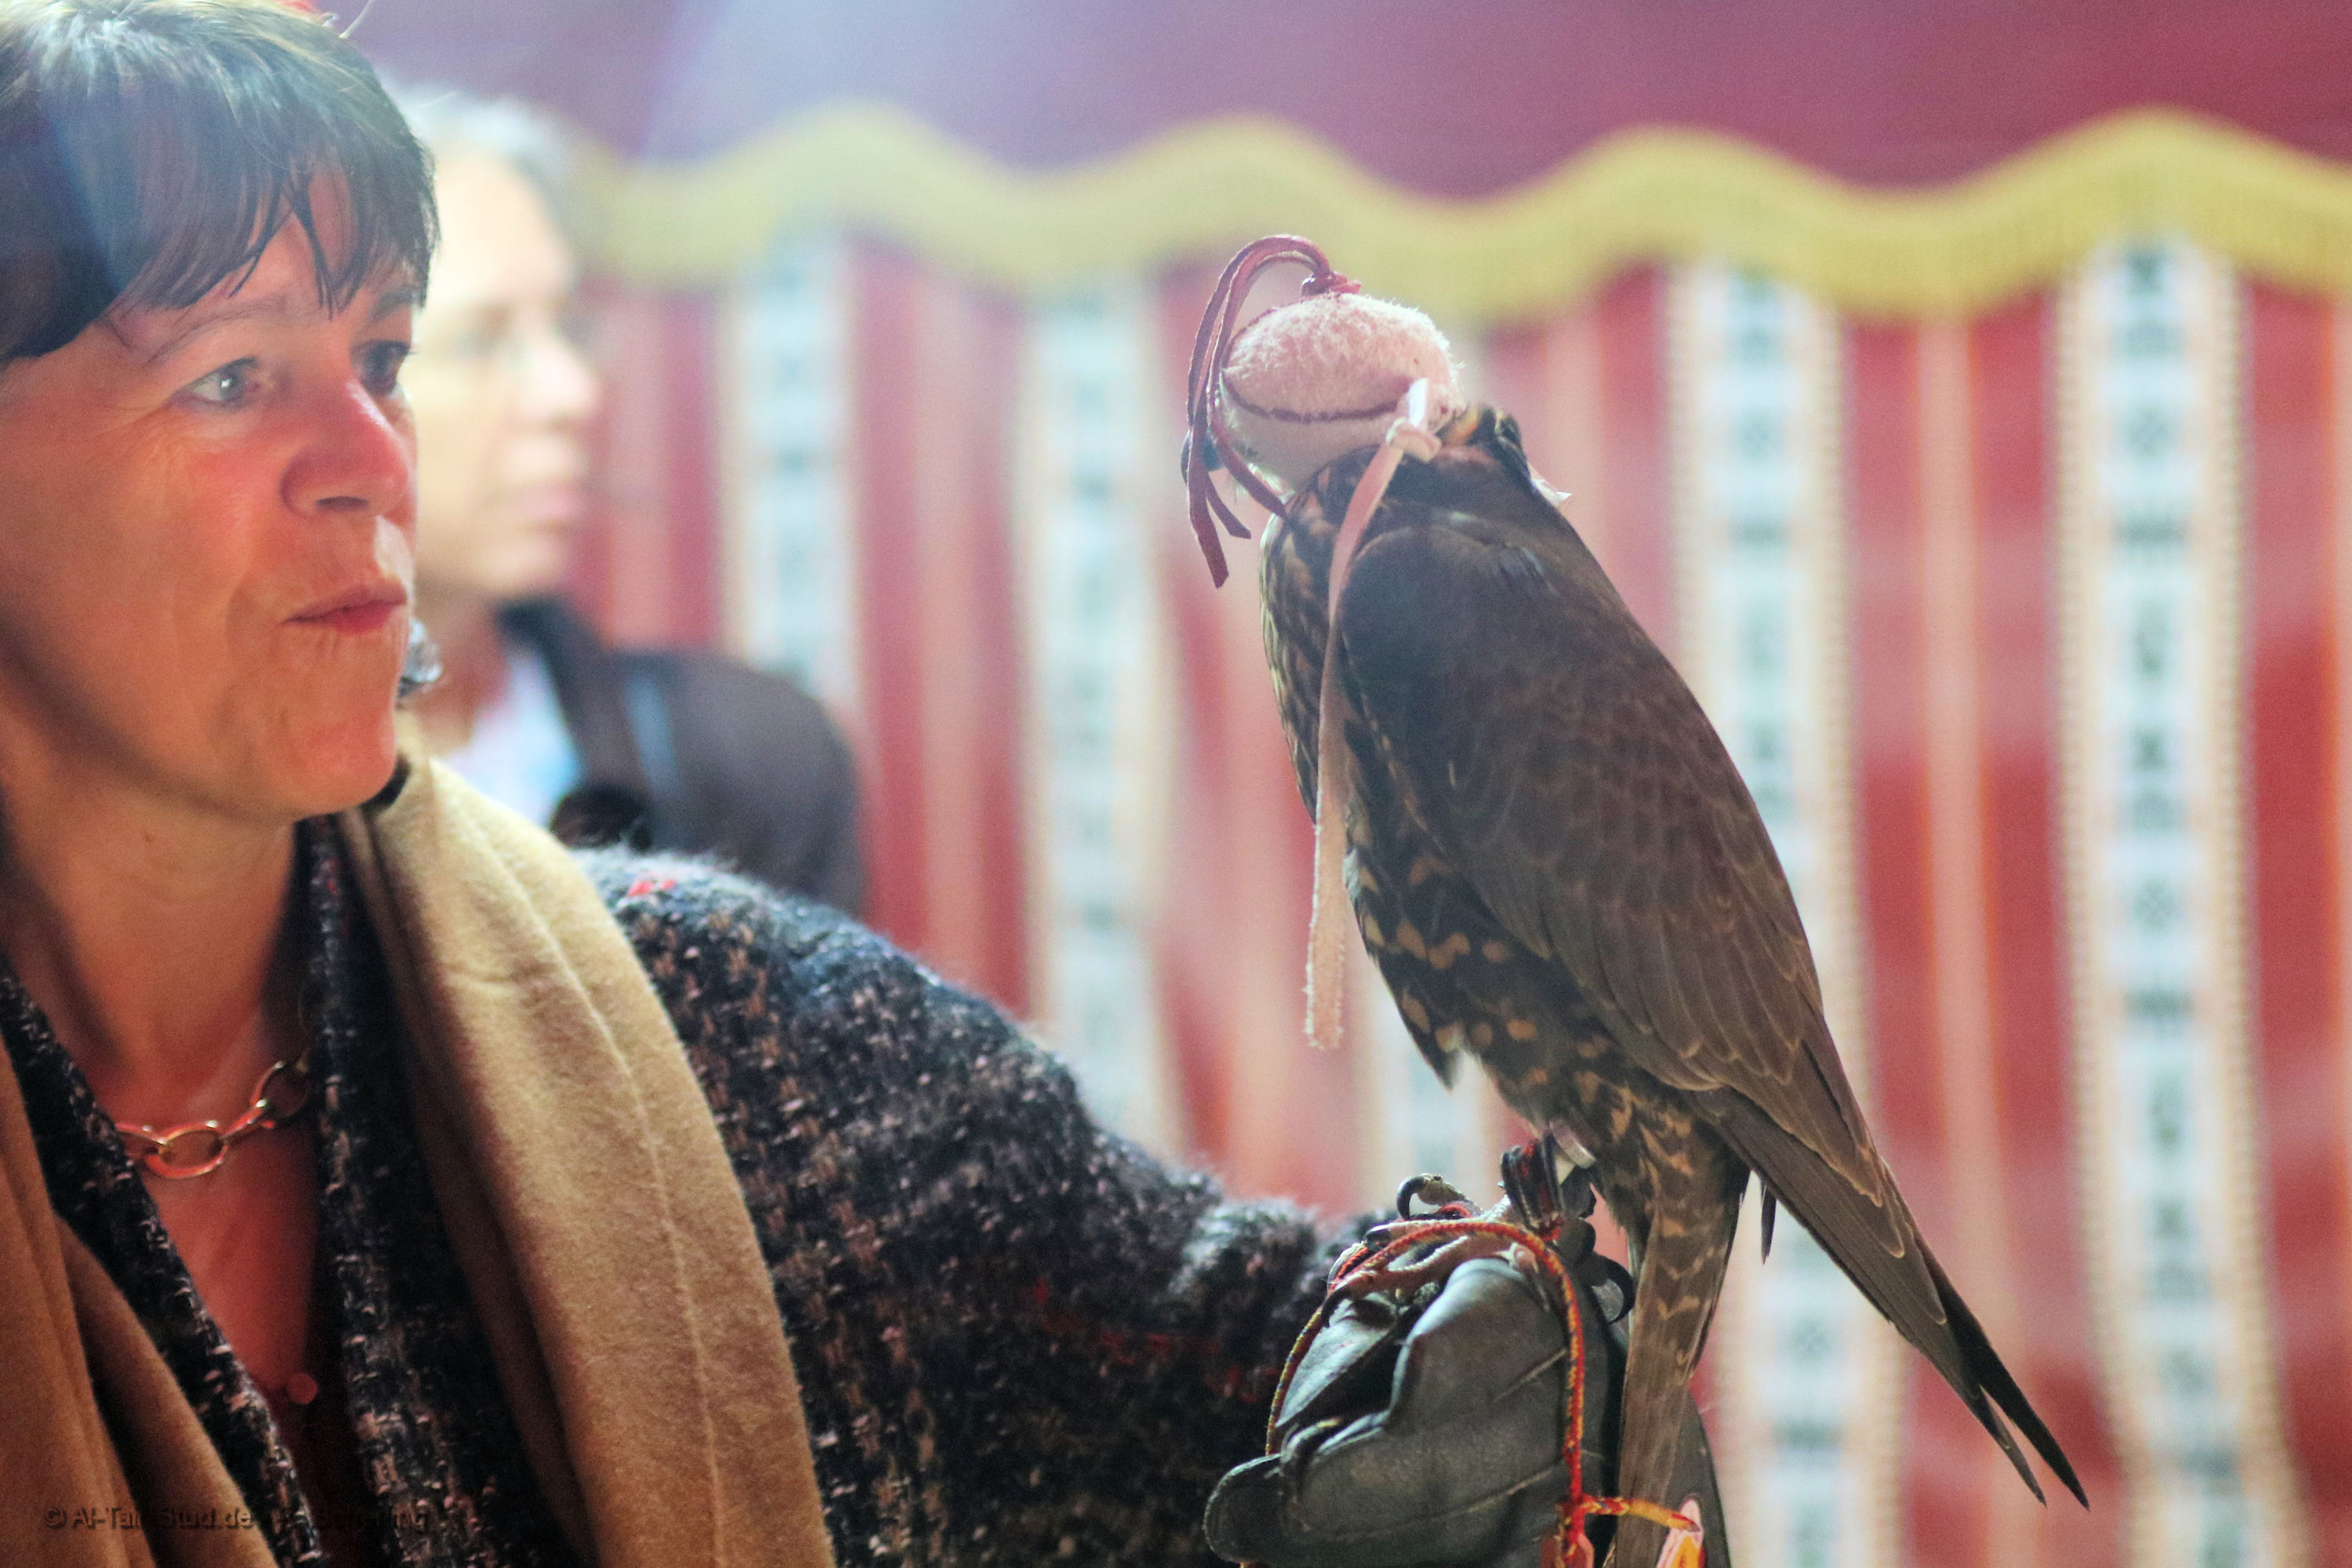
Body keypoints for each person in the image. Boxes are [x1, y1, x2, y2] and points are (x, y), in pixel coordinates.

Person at [0, 4, 1715, 1566]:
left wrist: (1515, 1388)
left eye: (382, 359)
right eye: (231, 377)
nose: (374, 462)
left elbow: (1243, 1345)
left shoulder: (727, 1028)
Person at [391, 85, 862, 912]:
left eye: (568, 328)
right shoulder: (216, 792)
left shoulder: (749, 762)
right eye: (479, 342)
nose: (572, 391)